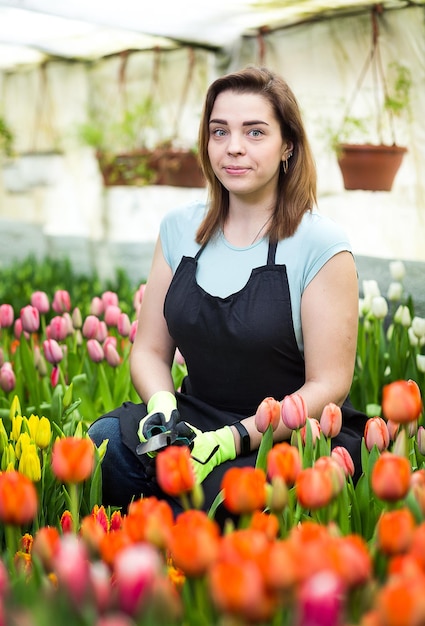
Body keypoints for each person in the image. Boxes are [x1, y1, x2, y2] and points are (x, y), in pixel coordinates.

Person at [88, 65, 368, 522]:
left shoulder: (321, 244)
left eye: (255, 132)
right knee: (103, 447)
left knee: (238, 496)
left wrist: (236, 438)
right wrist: (162, 408)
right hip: (192, 419)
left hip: (280, 439)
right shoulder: (180, 228)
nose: (233, 147)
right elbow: (150, 352)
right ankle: (169, 525)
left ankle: (181, 533)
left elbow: (328, 383)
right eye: (220, 132)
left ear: (288, 146)